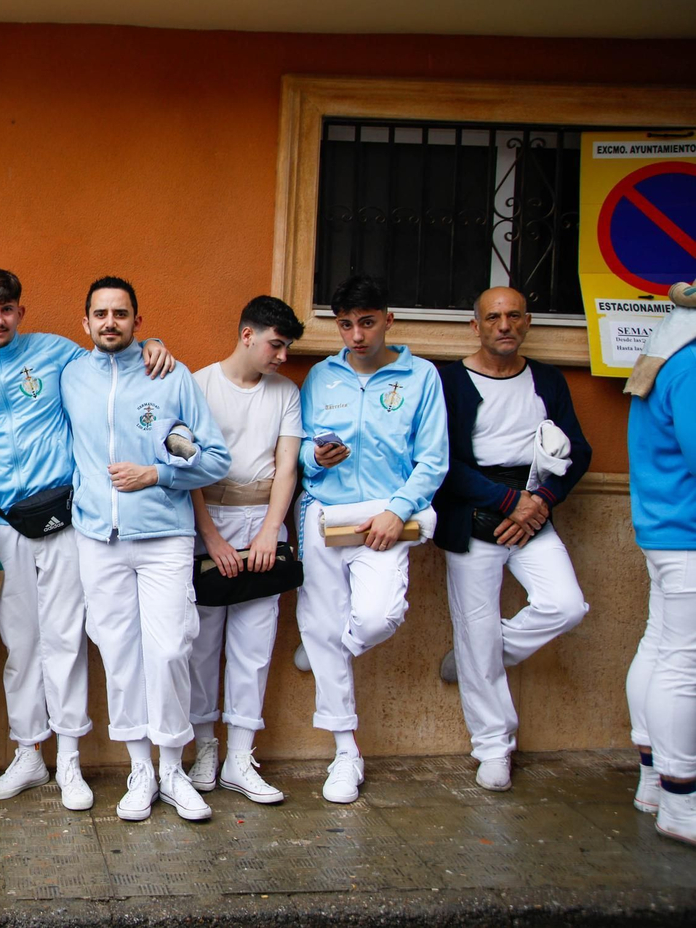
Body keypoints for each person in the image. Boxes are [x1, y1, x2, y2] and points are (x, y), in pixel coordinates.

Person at [0, 269, 170, 810]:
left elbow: (110, 357)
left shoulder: (56, 352)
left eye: (7, 308)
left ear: (21, 311)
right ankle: (28, 754)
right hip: (1, 523)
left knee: (67, 639)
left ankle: (68, 758)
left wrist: (151, 343)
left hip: (65, 519)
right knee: (21, 646)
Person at [63, 277, 231, 822]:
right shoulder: (70, 375)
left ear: (138, 320)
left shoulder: (171, 374)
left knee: (170, 649)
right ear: (84, 322)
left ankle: (173, 769)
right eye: (101, 314)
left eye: (121, 313)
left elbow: (215, 460)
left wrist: (156, 474)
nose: (110, 322)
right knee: (119, 655)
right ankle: (139, 770)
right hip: (98, 538)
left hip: (164, 537)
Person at [432, 288, 591, 793]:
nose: (504, 325)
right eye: (493, 317)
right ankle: (493, 747)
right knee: (474, 627)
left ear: (527, 323)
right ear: (475, 326)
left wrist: (540, 500)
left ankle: (481, 653)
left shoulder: (547, 379)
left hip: (533, 509)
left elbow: (579, 450)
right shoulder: (449, 381)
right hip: (474, 513)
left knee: (566, 606)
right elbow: (442, 462)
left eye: (514, 315)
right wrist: (506, 503)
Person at [296, 275, 447, 804]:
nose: (356, 335)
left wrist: (397, 510)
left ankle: (328, 647)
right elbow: (298, 448)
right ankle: (345, 751)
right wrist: (314, 457)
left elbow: (433, 459)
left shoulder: (422, 376)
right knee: (319, 622)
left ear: (388, 319)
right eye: (345, 325)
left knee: (378, 617)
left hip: (385, 518)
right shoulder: (320, 376)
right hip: (326, 514)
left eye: (366, 322)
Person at [186, 296, 305, 806]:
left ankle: (240, 756)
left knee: (254, 647)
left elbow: (288, 466)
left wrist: (269, 532)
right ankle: (205, 749)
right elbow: (185, 465)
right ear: (247, 335)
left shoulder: (286, 392)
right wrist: (211, 535)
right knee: (202, 644)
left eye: (286, 347)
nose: (281, 356)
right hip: (206, 518)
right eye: (275, 345)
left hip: (264, 521)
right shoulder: (198, 384)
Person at [625, 319, 696, 847]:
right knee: (684, 663)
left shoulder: (666, 351)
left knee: (662, 646)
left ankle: (653, 781)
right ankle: (681, 802)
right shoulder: (692, 364)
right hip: (688, 532)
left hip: (665, 527)